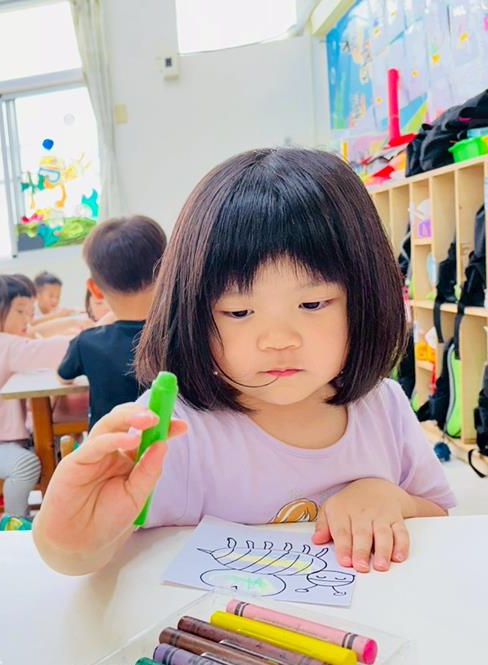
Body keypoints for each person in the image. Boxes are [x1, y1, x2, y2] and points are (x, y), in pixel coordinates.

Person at [34, 147, 455, 576]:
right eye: (238, 312)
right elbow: (83, 560)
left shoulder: (383, 407)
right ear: (194, 313)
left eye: (312, 304)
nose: (278, 340)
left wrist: (392, 499)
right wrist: (68, 533)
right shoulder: (174, 433)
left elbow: (440, 516)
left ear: (364, 297)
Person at [0, 275, 73, 519]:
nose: (28, 319)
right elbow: (44, 351)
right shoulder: (1, 344)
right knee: (27, 465)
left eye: (30, 312)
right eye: (21, 311)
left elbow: (35, 338)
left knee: (53, 448)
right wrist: (87, 338)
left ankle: (46, 516)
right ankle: (14, 522)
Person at [59, 216, 167, 429]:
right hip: (175, 444)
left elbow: (63, 377)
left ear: (95, 289)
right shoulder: (184, 335)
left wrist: (105, 321)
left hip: (110, 446)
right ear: (167, 271)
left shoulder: (87, 342)